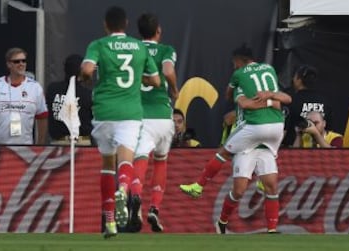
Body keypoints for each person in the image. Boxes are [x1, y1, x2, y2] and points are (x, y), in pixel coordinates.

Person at [180, 44, 292, 234]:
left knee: (269, 183)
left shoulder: (240, 78)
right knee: (239, 190)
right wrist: (270, 101)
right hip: (259, 137)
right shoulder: (263, 76)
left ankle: (199, 186)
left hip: (254, 132)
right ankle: (222, 222)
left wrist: (263, 101)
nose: (234, 68)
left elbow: (240, 99)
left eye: (234, 64)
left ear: (238, 62)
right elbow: (251, 104)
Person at [80, 6, 160, 238]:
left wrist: (87, 78)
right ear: (125, 24)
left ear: (106, 25)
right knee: (126, 159)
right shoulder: (139, 47)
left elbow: (87, 69)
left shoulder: (98, 45)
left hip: (104, 111)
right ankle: (124, 188)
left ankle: (110, 222)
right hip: (130, 111)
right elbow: (155, 80)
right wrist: (137, 76)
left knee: (107, 165)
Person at [128, 13, 179, 233]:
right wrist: (175, 90)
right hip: (162, 114)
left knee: (140, 158)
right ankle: (155, 208)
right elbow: (168, 71)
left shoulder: (133, 49)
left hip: (140, 115)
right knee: (161, 161)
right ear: (158, 30)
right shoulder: (166, 50)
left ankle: (136, 196)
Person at [0, 47, 48, 145]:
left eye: (23, 61)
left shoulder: (35, 87)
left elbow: (42, 117)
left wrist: (40, 144)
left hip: (25, 148)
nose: (21, 64)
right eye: (17, 61)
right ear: (9, 64)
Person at [46, 54, 93, 146]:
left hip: (59, 143)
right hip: (81, 143)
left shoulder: (52, 89)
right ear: (81, 70)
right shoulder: (87, 94)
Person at [283, 65, 332, 146]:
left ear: (298, 80)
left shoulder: (291, 100)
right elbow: (329, 128)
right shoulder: (325, 100)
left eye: (294, 77)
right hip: (321, 150)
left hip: (293, 151)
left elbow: (284, 129)